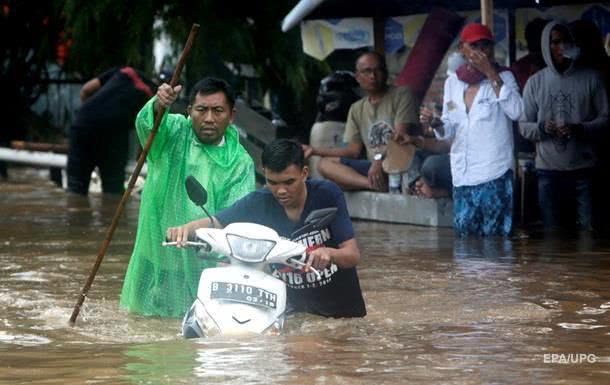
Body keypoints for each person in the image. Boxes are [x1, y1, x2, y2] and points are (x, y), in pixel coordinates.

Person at [167, 139, 366, 318]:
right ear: (265, 175)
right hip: (294, 315)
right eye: (272, 182)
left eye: (289, 182)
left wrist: (329, 253)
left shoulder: (327, 195)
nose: (280, 191)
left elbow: (352, 255)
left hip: (342, 314)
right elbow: (216, 222)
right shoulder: (258, 202)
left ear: (304, 173)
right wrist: (187, 229)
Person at [120, 77, 256, 317]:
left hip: (199, 265)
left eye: (218, 111)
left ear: (231, 115)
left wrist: (197, 231)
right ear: (189, 110)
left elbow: (236, 218)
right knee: (139, 329)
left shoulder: (240, 162)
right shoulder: (174, 133)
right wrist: (158, 105)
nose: (209, 119)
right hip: (155, 253)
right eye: (201, 110)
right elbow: (147, 126)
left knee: (190, 335)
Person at [395, 23, 523, 237]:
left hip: (494, 173)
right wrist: (436, 123)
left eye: (486, 45)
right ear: (462, 49)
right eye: (475, 46)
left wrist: (491, 72)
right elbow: (449, 131)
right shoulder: (453, 82)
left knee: (496, 242)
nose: (481, 51)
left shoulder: (504, 78)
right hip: (463, 175)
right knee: (465, 243)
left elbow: (518, 112)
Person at [519, 21, 609, 231]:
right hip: (548, 172)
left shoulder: (592, 78)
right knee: (552, 237)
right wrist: (543, 128)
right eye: (555, 42)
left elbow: (606, 119)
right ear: (545, 46)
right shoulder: (535, 82)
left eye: (566, 42)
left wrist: (581, 128)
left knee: (589, 235)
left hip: (584, 170)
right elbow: (523, 126)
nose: (561, 47)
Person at [302, 51, 419, 192]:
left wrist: (378, 160)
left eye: (378, 70)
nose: (373, 76)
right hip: (373, 168)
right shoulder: (357, 108)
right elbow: (353, 151)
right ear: (357, 77)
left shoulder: (402, 94)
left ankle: (377, 183)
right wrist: (314, 150)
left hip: (401, 163)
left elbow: (400, 138)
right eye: (367, 71)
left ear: (386, 72)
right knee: (324, 164)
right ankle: (372, 185)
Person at [67, 66, 156, 195]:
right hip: (114, 134)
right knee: (113, 191)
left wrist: (91, 114)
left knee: (76, 188)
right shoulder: (154, 98)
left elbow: (86, 90)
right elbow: (145, 130)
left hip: (83, 124)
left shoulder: (125, 71)